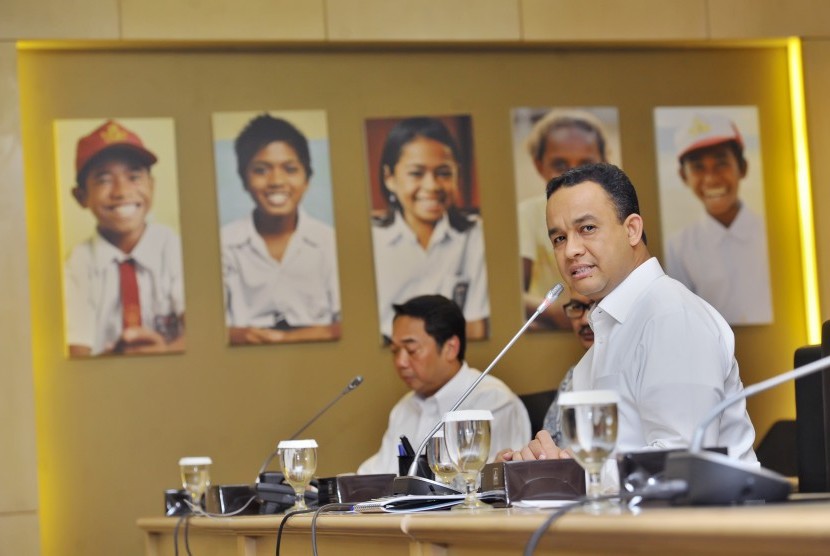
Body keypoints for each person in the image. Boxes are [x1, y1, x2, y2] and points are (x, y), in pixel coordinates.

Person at [503, 162, 757, 465]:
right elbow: (586, 463)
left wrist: (570, 472)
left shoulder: (671, 316)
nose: (570, 250)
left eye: (587, 229)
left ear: (632, 229)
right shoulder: (604, 336)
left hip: (709, 512)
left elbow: (684, 462)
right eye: (559, 238)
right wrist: (543, 464)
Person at [357, 294, 530, 475]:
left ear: (450, 348)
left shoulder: (493, 401)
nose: (400, 362)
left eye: (411, 350)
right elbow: (380, 472)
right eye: (394, 351)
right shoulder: (404, 408)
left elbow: (493, 481)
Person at [64, 119, 185, 356]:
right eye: (104, 179)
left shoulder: (173, 247)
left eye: (134, 176)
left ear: (152, 186)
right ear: (81, 196)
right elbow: (78, 356)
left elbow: (203, 336)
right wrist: (118, 364)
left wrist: (164, 354)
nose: (121, 192)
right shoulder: (77, 264)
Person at [221, 114, 341, 344]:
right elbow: (210, 327)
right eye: (261, 170)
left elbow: (349, 324)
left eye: (290, 168)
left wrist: (288, 339)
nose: (276, 181)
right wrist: (242, 336)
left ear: (307, 177)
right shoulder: (224, 244)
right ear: (243, 179)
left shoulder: (330, 242)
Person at [371, 117, 489, 342]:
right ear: (389, 178)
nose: (432, 186)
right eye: (416, 173)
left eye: (444, 173)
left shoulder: (474, 236)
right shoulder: (373, 242)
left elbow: (475, 329)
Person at [664, 112, 772, 325]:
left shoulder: (771, 234)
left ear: (742, 168)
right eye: (698, 168)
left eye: (722, 164)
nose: (711, 179)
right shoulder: (677, 247)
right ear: (684, 177)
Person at [517, 109, 609, 330]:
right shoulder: (528, 214)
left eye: (585, 164)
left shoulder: (614, 211)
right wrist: (556, 311)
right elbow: (513, 294)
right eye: (559, 164)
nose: (573, 174)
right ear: (539, 165)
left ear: (604, 162)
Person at [541, 290, 595, 444]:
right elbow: (550, 442)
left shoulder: (632, 367)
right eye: (577, 307)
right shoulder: (571, 377)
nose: (585, 320)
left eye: (594, 306)